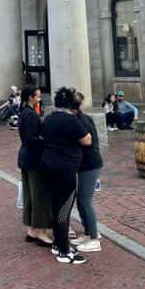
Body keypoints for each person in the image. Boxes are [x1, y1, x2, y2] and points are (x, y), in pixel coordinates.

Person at [40, 87, 92, 265]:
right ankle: (63, 250)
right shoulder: (70, 120)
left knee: (55, 206)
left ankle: (58, 242)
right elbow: (87, 139)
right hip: (66, 169)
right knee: (64, 208)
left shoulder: (49, 118)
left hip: (48, 165)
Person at [17, 87, 52, 248]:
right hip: (34, 159)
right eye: (37, 96)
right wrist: (47, 141)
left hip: (26, 158)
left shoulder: (25, 112)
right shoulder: (30, 115)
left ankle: (32, 229)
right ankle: (40, 231)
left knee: (30, 193)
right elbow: (32, 139)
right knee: (39, 195)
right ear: (30, 98)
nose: (39, 98)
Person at [72, 91, 103, 253]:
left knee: (85, 200)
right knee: (81, 199)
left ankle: (94, 237)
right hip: (87, 164)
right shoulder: (83, 118)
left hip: (89, 164)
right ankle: (87, 231)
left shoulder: (79, 121)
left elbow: (85, 142)